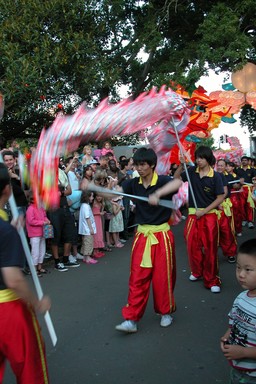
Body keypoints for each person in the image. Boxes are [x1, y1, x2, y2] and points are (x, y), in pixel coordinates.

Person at [92, 147, 182, 333]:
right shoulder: (132, 183)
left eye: (142, 165)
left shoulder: (163, 180)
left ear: (152, 166)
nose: (139, 168)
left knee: (162, 278)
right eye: (137, 165)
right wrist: (96, 189)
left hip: (162, 236)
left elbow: (178, 183)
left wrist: (157, 194)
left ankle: (165, 312)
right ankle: (131, 318)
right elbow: (114, 193)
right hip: (142, 236)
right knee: (137, 278)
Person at [0, 163, 51, 383]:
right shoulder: (5, 231)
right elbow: (13, 279)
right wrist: (36, 302)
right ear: (7, 190)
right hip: (8, 311)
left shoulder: (5, 226)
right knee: (30, 367)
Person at [174, 146, 225, 293]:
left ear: (208, 159)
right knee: (192, 246)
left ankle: (212, 279)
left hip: (209, 216)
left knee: (210, 248)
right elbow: (176, 178)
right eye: (197, 158)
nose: (198, 160)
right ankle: (197, 272)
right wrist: (180, 164)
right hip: (192, 216)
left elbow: (220, 197)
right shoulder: (191, 172)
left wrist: (205, 211)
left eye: (201, 158)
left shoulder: (215, 176)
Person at [220, 239, 256, 383]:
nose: (241, 274)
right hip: (238, 368)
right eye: (238, 267)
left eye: (248, 270)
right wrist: (226, 336)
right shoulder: (241, 297)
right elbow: (234, 322)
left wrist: (243, 352)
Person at [26, 194, 51, 276]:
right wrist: (43, 222)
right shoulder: (30, 208)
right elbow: (31, 221)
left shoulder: (41, 208)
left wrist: (47, 220)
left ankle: (39, 267)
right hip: (34, 233)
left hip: (42, 232)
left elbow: (44, 216)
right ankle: (34, 269)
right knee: (35, 252)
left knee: (42, 251)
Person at [236, 156, 256, 229]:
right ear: (241, 161)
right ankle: (244, 219)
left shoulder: (252, 170)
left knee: (250, 205)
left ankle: (250, 221)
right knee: (241, 205)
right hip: (241, 189)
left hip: (249, 189)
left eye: (245, 160)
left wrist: (254, 188)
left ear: (248, 161)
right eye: (243, 160)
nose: (244, 161)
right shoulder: (238, 170)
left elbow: (255, 180)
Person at [78, 191, 98, 264]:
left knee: (85, 242)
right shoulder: (86, 206)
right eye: (91, 196)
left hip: (85, 229)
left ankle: (85, 257)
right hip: (87, 229)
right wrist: (91, 228)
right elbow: (87, 218)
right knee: (88, 243)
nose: (92, 198)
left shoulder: (83, 205)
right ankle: (88, 257)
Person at [92, 193, 106, 257]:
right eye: (98, 196)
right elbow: (91, 212)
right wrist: (100, 213)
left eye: (100, 196)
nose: (99, 198)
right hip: (95, 219)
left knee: (99, 234)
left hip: (99, 219)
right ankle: (94, 251)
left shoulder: (100, 203)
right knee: (95, 234)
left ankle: (97, 250)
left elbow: (101, 210)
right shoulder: (93, 203)